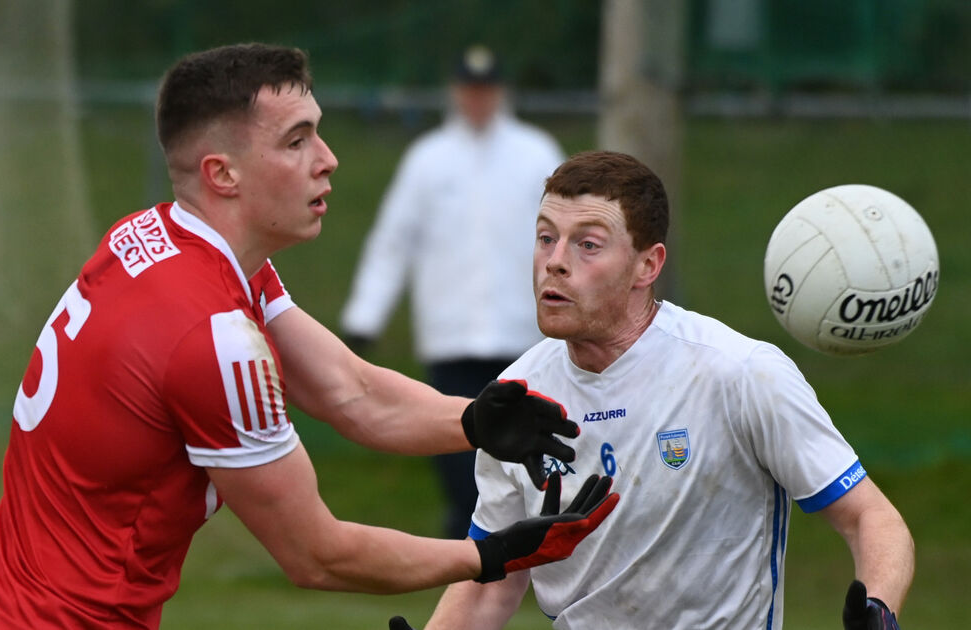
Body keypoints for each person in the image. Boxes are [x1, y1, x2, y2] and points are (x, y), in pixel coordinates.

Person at [0, 44, 620, 630]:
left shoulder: (163, 238)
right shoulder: (212, 336)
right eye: (297, 140)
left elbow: (348, 390)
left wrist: (471, 421)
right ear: (223, 174)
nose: (328, 158)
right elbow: (318, 555)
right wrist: (489, 558)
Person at [392, 151, 914, 630]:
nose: (555, 261)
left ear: (649, 265)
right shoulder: (513, 401)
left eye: (588, 244)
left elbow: (870, 517)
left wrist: (879, 609)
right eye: (546, 237)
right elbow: (494, 580)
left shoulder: (739, 373)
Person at [341, 44, 565, 539]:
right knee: (454, 442)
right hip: (450, 333)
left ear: (500, 93)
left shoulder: (537, 153)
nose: (478, 100)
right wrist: (365, 316)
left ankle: (528, 547)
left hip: (521, 334)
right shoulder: (428, 159)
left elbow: (568, 233)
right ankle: (470, 546)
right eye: (469, 90)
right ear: (455, 93)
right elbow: (393, 241)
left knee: (527, 445)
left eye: (486, 90)